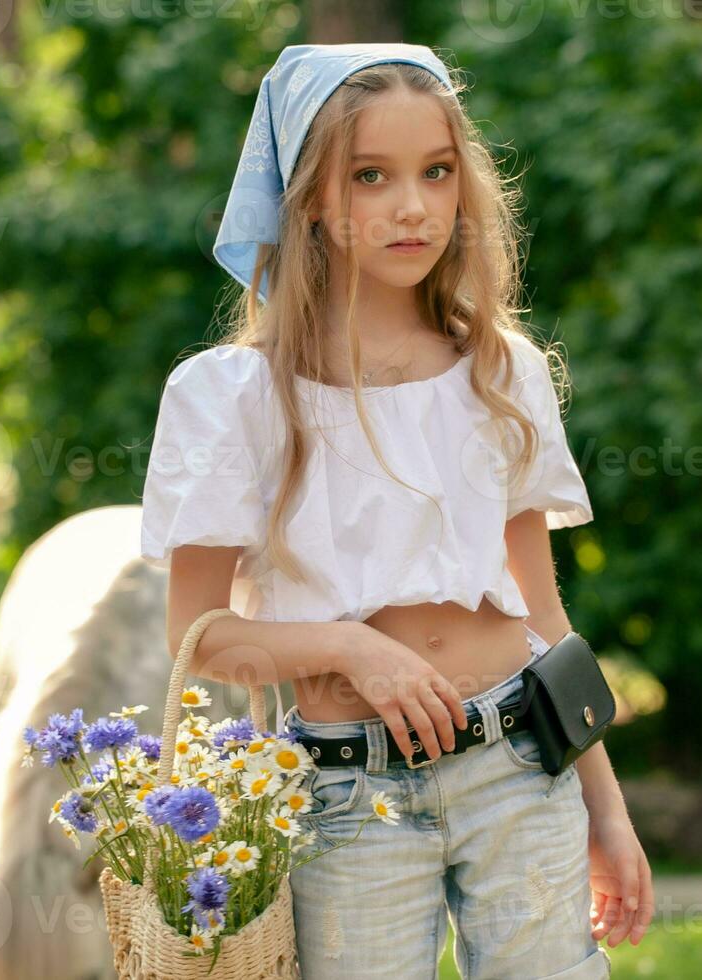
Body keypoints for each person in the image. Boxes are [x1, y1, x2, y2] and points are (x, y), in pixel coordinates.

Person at [140, 41, 650, 978]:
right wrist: (348, 647)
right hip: (348, 795)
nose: (412, 205)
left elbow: (543, 619)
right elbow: (200, 636)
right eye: (370, 176)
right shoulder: (236, 397)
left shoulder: (501, 372)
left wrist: (606, 814)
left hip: (520, 765)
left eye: (437, 172)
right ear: (310, 202)